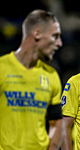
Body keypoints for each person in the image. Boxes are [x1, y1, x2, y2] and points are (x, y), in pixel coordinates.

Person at [0, 9, 64, 150]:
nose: (59, 43)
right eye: (55, 36)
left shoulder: (51, 75)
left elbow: (56, 124)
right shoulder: (2, 68)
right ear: (37, 33)